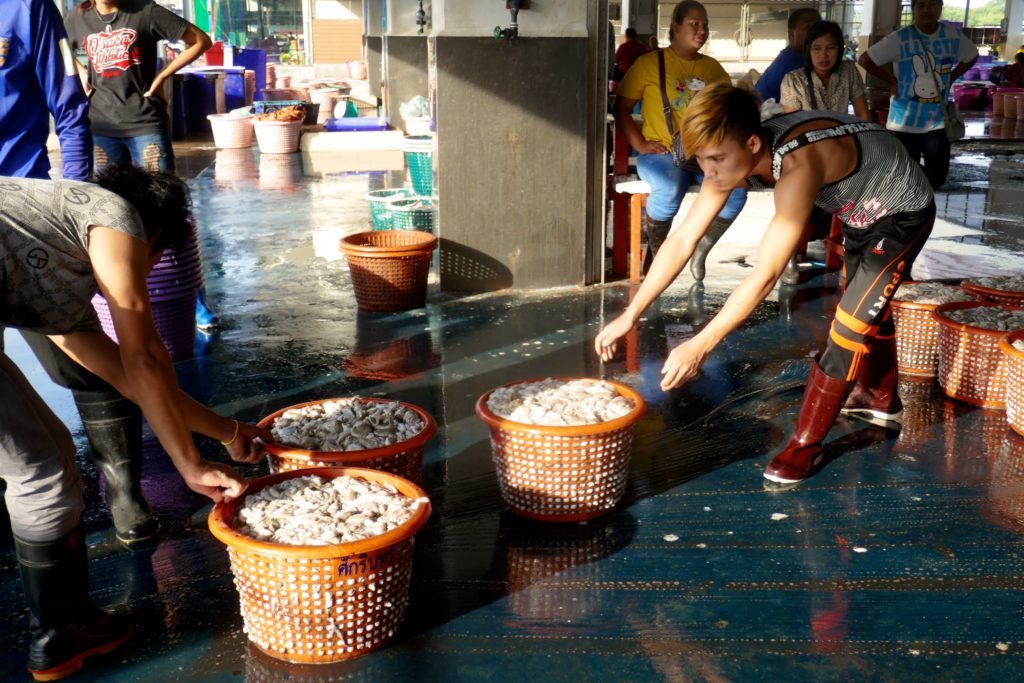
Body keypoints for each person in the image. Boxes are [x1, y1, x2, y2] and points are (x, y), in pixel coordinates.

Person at [595, 83, 936, 486]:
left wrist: (701, 344)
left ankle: (805, 444)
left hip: (901, 212)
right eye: (702, 160)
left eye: (718, 159)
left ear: (753, 143)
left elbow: (767, 273)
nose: (711, 171)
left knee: (850, 325)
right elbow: (682, 240)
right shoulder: (730, 154)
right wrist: (629, 314)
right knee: (866, 304)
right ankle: (881, 398)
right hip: (858, 210)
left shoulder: (798, 164)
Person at [1, 166, 268, 681]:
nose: (146, 270)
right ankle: (60, 639)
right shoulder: (112, 213)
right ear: (154, 238)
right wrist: (189, 466)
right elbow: (145, 357)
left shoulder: (49, 277)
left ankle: (70, 623)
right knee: (40, 475)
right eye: (157, 258)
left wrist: (227, 432)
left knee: (49, 450)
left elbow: (128, 377)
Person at [1, 0, 167, 550]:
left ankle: (123, 489)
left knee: (90, 363)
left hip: (34, 226)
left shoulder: (25, 8)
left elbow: (69, 109)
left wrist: (76, 204)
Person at [64, 0, 221, 329]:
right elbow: (63, 52)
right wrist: (83, 79)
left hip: (145, 125)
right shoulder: (75, 19)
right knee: (111, 213)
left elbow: (201, 40)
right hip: (102, 127)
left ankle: (194, 299)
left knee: (169, 211)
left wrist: (162, 77)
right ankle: (131, 300)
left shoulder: (145, 12)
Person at [613, 1, 747, 281]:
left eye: (705, 25)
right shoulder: (648, 64)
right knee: (670, 186)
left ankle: (700, 251)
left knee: (736, 190)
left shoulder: (713, 69)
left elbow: (726, 111)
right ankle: (660, 258)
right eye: (694, 24)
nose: (702, 30)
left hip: (702, 154)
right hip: (660, 153)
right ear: (675, 27)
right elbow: (621, 108)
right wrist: (639, 145)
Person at [858, 0, 978, 190]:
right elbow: (865, 59)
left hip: (937, 121)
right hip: (904, 122)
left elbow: (972, 55)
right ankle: (913, 211)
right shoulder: (900, 38)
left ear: (940, 7)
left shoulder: (952, 36)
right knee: (904, 177)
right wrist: (892, 81)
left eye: (932, 5)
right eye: (920, 6)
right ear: (913, 10)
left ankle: (924, 203)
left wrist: (952, 77)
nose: (926, 10)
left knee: (937, 176)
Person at [781, 21, 871, 120]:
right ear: (808, 50)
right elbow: (792, 125)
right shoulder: (794, 81)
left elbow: (863, 115)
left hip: (842, 134)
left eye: (830, 48)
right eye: (817, 48)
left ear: (839, 49)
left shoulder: (848, 71)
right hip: (807, 134)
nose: (823, 55)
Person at [754, 7, 822, 105]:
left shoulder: (797, 56)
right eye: (808, 28)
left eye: (819, 28)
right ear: (791, 35)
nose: (816, 33)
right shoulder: (793, 63)